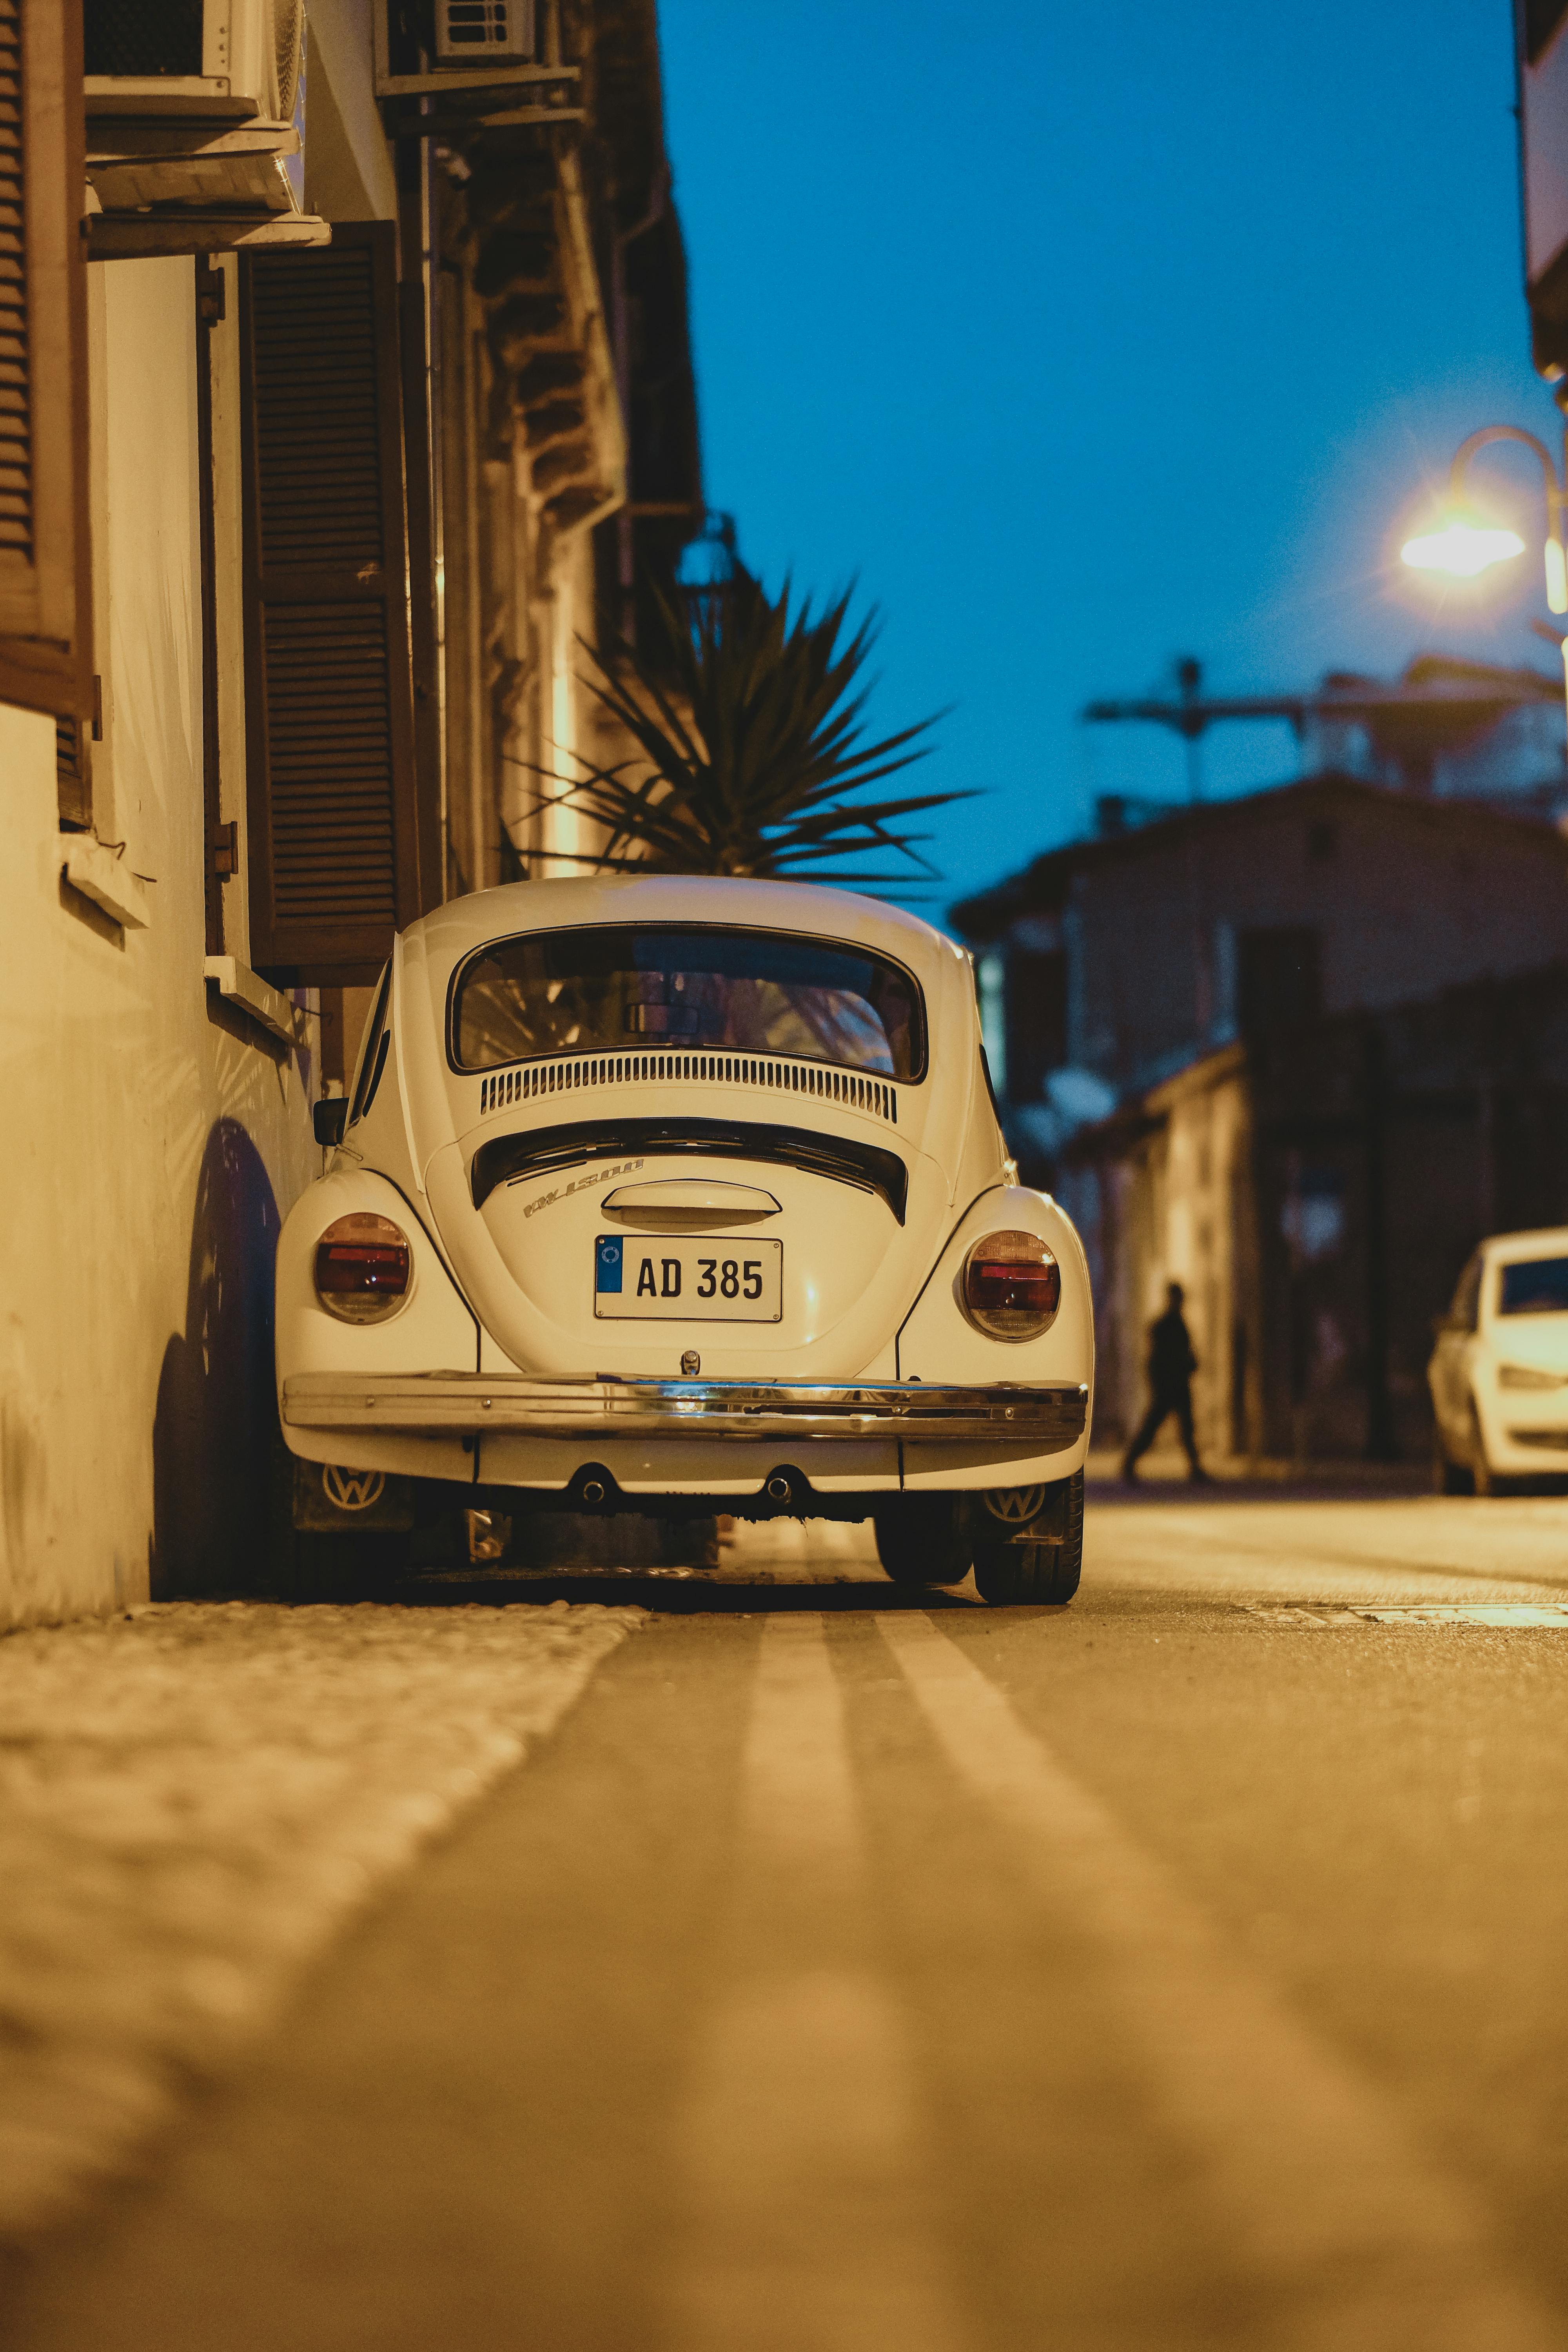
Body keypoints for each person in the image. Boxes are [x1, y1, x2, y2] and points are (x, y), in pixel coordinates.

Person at [1122, 1281, 1208, 1482]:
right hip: (1168, 1387)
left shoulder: (1178, 1324)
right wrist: (1159, 1383)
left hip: (1179, 1385)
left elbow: (1185, 1354)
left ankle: (1195, 1468)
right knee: (1152, 1427)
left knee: (1187, 1429)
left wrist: (1190, 1365)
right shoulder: (1163, 1326)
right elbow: (1155, 1360)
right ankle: (1129, 1463)